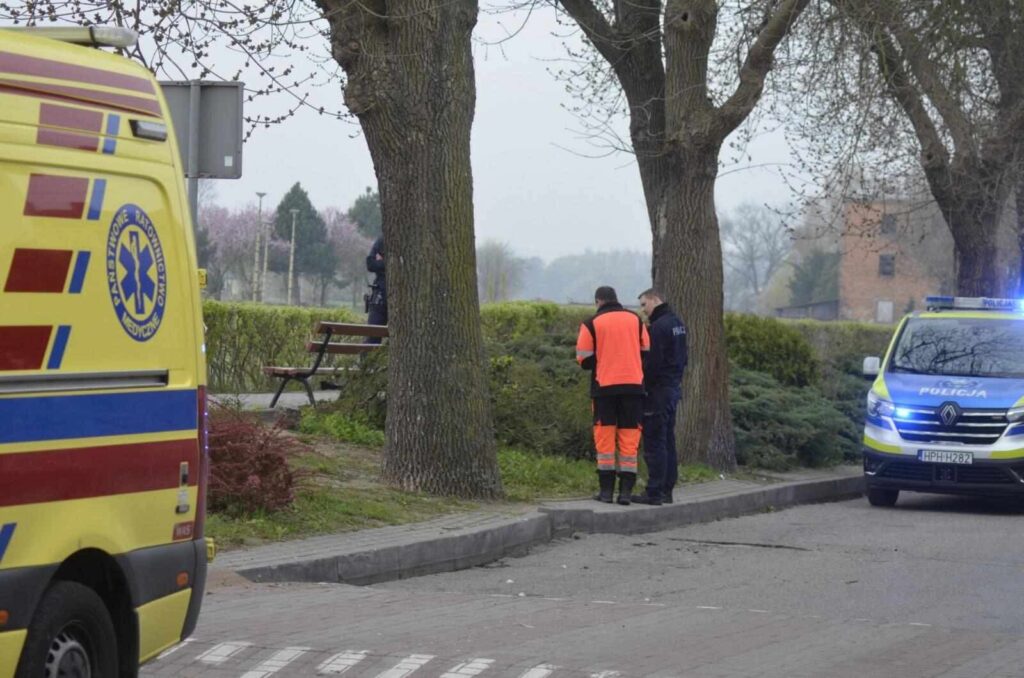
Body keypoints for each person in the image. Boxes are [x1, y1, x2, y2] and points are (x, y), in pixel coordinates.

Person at [576, 286, 650, 505]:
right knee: (629, 442)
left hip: (604, 389)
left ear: (598, 301)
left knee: (605, 440)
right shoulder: (635, 320)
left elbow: (584, 360)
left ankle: (606, 492)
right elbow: (646, 351)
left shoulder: (591, 323)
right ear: (616, 300)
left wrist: (604, 359)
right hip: (634, 388)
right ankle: (626, 493)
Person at [632, 288, 687, 505]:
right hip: (673, 388)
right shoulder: (677, 324)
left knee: (655, 442)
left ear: (655, 300)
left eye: (644, 304)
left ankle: (654, 491)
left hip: (657, 392)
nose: (643, 310)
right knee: (668, 441)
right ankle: (667, 490)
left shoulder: (658, 328)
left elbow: (652, 363)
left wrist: (642, 382)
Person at [365, 236, 387, 344]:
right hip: (380, 298)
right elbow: (370, 264)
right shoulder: (382, 240)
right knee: (372, 339)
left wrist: (382, 262)